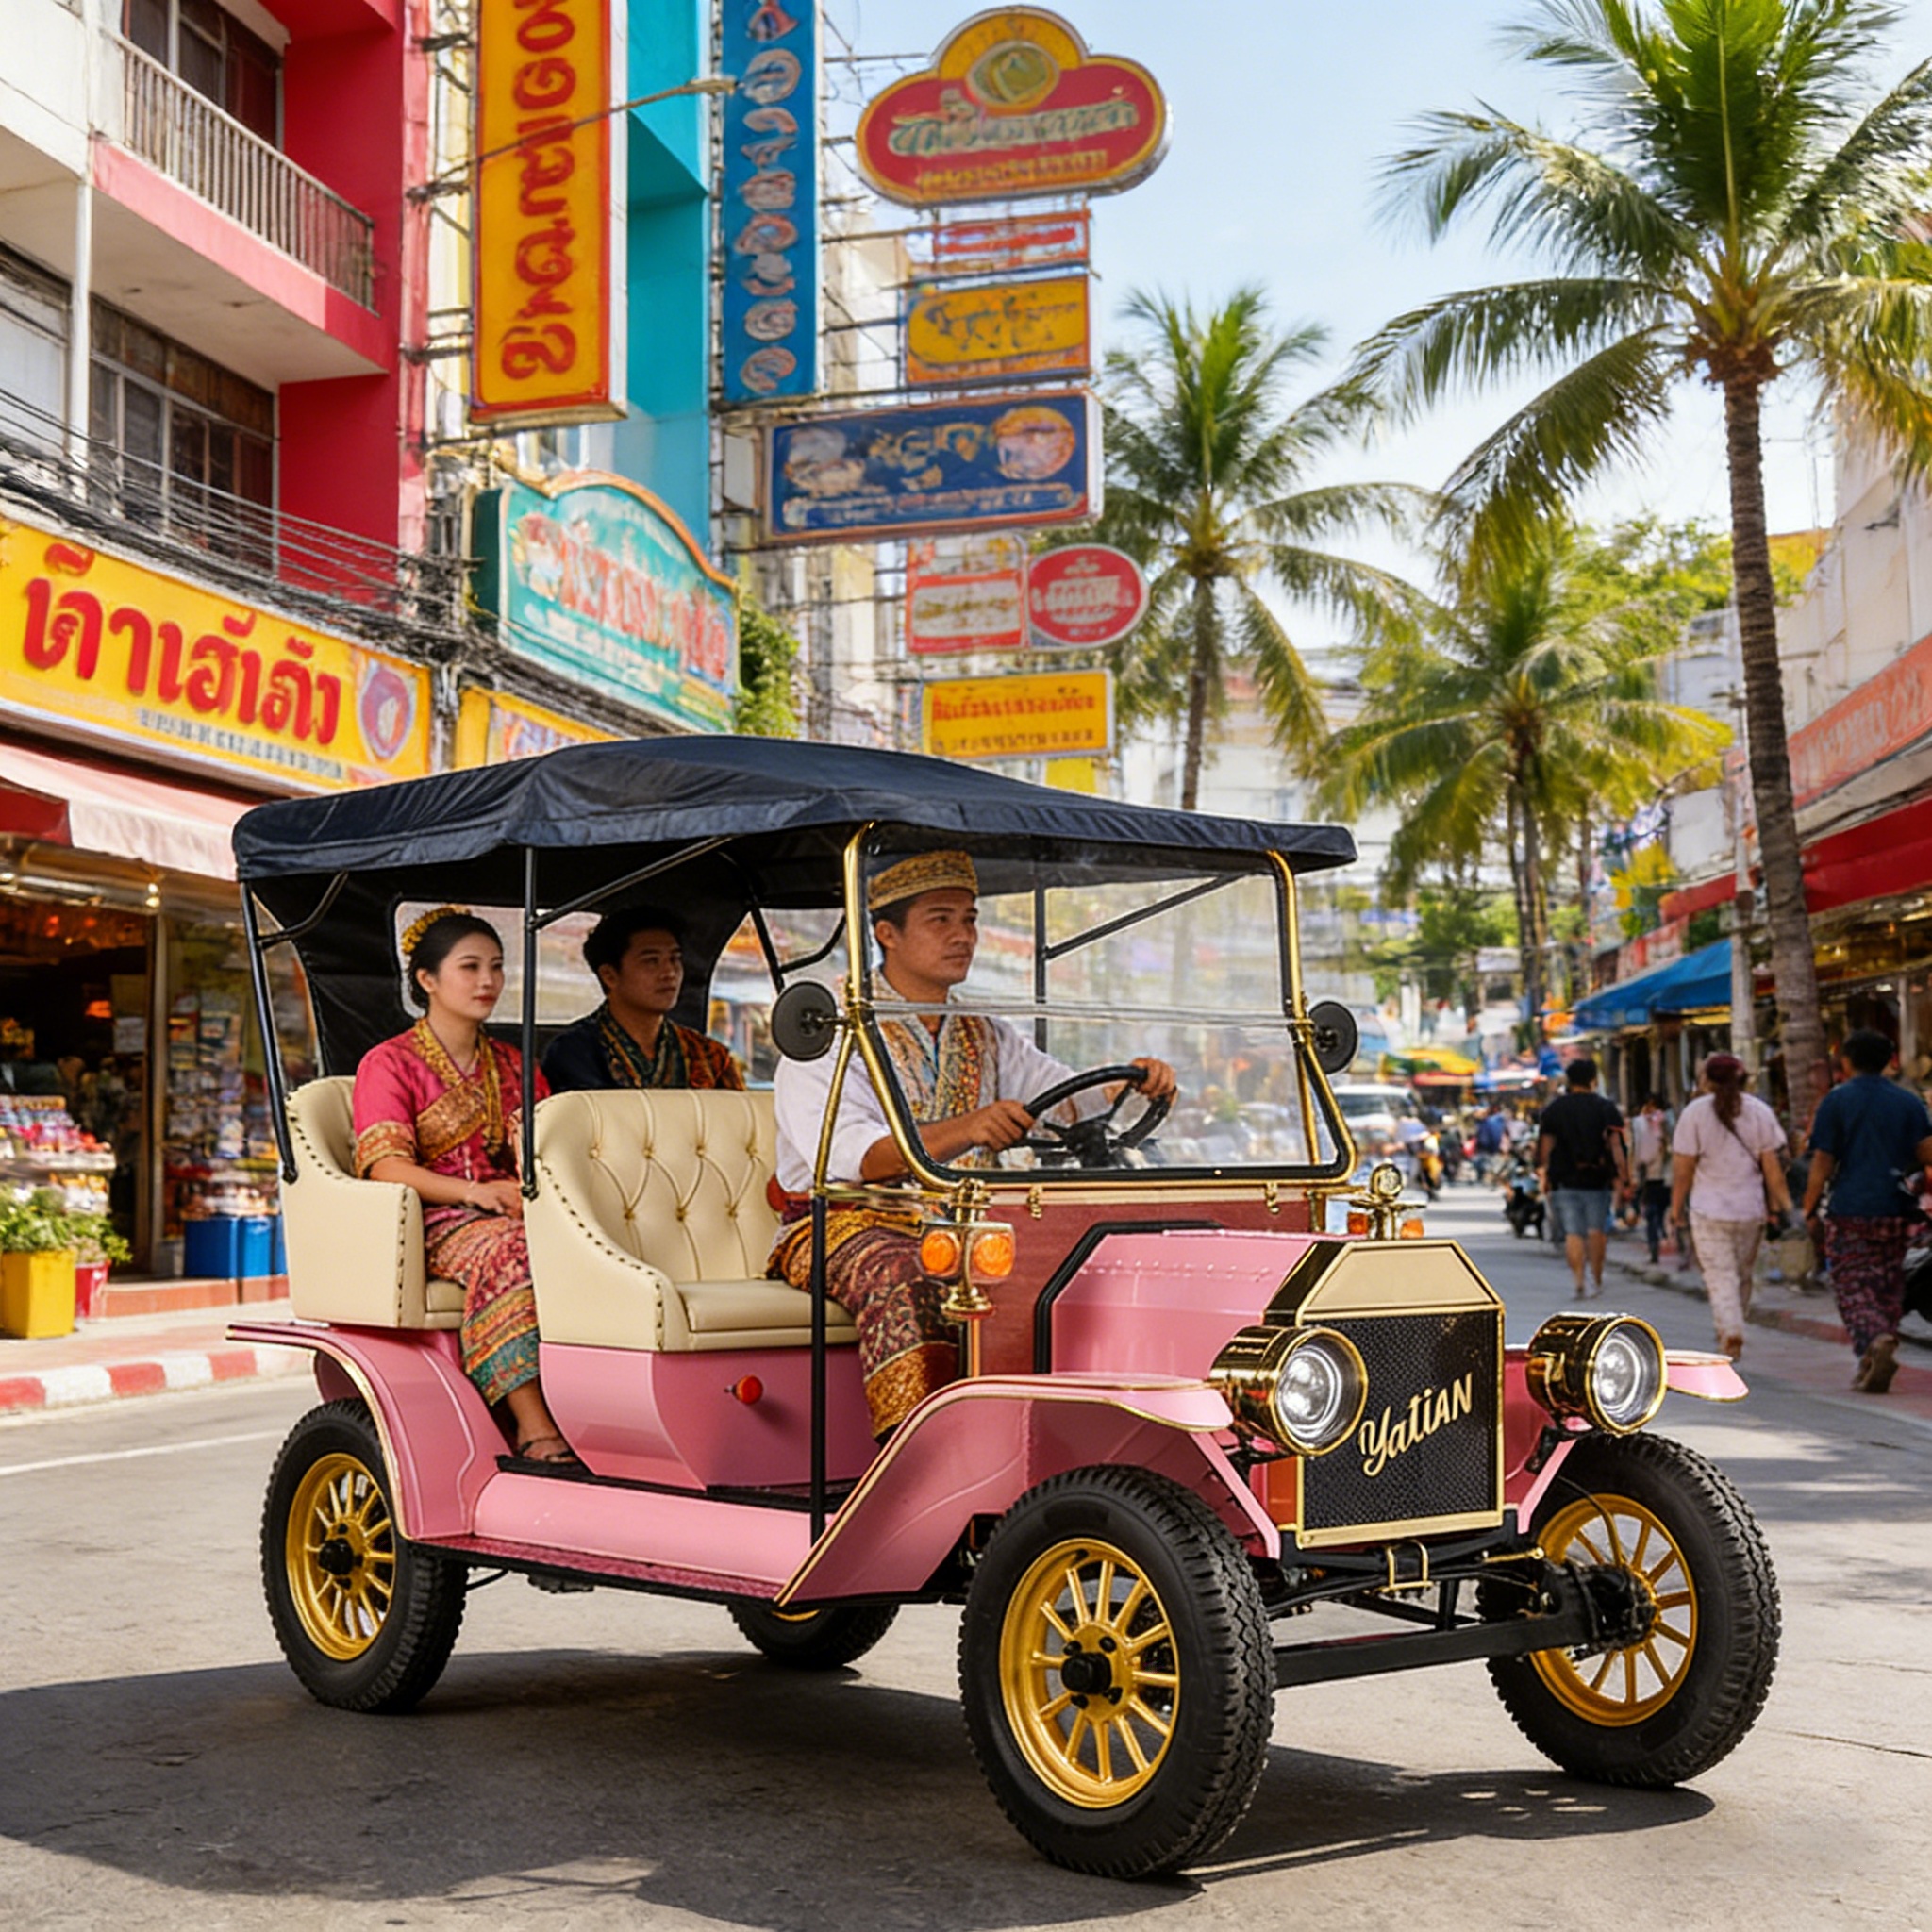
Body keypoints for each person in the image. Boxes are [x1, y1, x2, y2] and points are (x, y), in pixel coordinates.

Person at [767, 851, 1177, 1441]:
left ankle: (1066, 1439)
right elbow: (852, 1158)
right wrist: (969, 1127)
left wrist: (1130, 1082)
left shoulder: (984, 1031)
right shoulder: (831, 1029)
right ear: (887, 934)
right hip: (839, 1220)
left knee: (1085, 1266)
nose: (964, 937)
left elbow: (1063, 1098)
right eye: (941, 920)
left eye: (971, 920)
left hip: (968, 1223)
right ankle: (918, 1457)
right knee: (907, 1272)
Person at [353, 908, 573, 1462]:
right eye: (470, 967)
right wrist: (474, 1194)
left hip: (515, 1209)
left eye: (496, 967)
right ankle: (533, 1424)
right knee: (511, 1251)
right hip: (437, 1215)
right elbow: (385, 1167)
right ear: (426, 980)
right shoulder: (390, 1064)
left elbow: (548, 1155)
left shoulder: (516, 1065)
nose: (487, 982)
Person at [1799, 1029, 1932, 1394]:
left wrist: (1809, 1206)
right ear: (1890, 1060)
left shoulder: (1836, 1101)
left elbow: (1823, 1161)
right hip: (1897, 1208)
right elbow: (1928, 1152)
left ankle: (1875, 1339)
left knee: (1852, 1284)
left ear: (1846, 1061)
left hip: (1851, 1209)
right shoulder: (1908, 1102)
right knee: (1889, 1283)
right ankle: (1873, 1356)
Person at [543, 904, 744, 1093]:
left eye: (674, 959)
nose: (669, 973)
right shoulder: (573, 1052)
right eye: (651, 961)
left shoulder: (711, 1057)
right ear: (609, 976)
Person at [1668, 1055, 1790, 1360]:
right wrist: (1785, 1204)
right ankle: (1733, 1322)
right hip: (1750, 1209)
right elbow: (1772, 1167)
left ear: (1707, 1080)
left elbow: (1683, 1169)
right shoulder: (1759, 1111)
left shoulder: (1694, 1113)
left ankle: (1731, 1327)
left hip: (1708, 1210)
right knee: (1742, 1274)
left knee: (1720, 1276)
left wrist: (1675, 1207)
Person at [1537, 1057, 1628, 1298]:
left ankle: (1579, 1280)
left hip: (1564, 1180)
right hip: (1597, 1179)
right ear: (1593, 1080)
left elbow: (1545, 1146)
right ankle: (1596, 1279)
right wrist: (1623, 1175)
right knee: (1596, 1230)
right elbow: (1616, 1144)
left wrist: (1543, 1174)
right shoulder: (1605, 1108)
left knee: (1573, 1233)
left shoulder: (1555, 1109)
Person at [1629, 1093, 1674, 1264]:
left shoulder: (1647, 1124)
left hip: (1656, 1176)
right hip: (1656, 1176)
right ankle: (1656, 1241)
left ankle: (1656, 1241)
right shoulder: (1663, 1122)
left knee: (1655, 1212)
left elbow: (1635, 1151)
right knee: (1655, 1212)